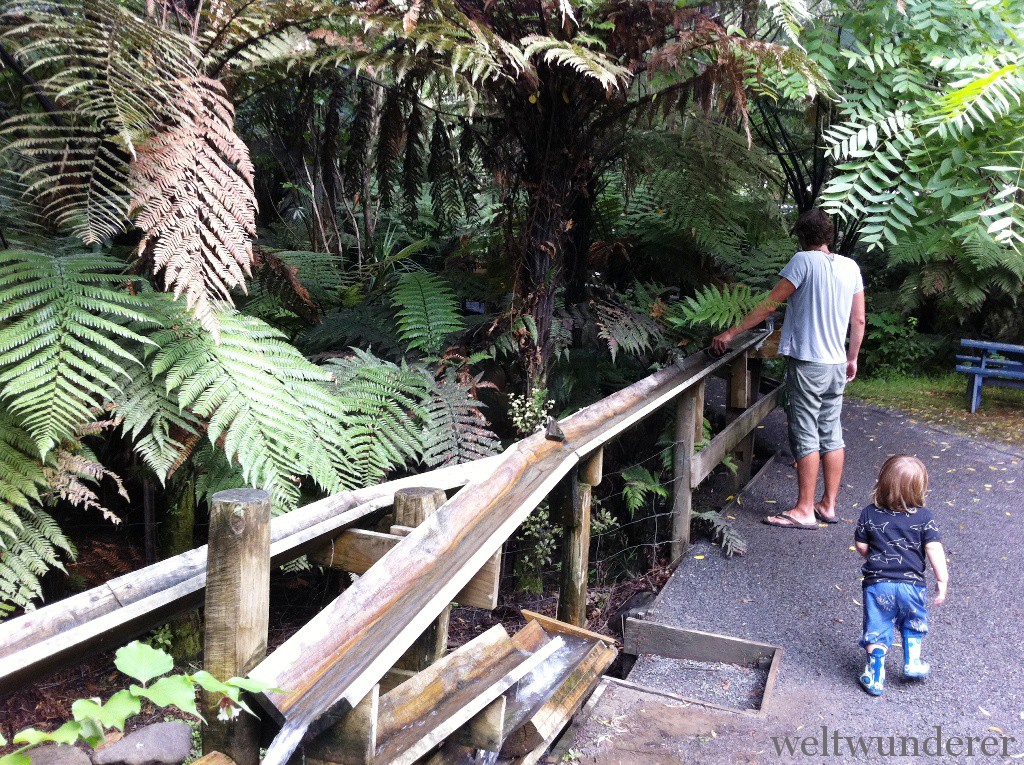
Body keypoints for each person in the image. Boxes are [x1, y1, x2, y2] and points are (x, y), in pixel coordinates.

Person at [712, 208, 866, 529]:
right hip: (837, 364)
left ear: (802, 236)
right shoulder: (851, 267)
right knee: (832, 433)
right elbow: (859, 320)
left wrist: (730, 333)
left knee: (806, 432)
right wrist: (852, 357)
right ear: (829, 236)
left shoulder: (802, 262)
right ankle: (829, 505)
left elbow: (769, 304)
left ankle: (804, 510)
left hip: (809, 364)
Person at [854, 455, 949, 696]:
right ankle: (912, 662)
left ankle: (875, 677)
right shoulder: (925, 517)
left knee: (878, 625)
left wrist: (874, 555)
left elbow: (861, 546)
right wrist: (942, 578)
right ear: (920, 488)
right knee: (913, 622)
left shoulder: (869, 513)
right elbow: (934, 548)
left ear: (882, 483)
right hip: (912, 586)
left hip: (878, 586)